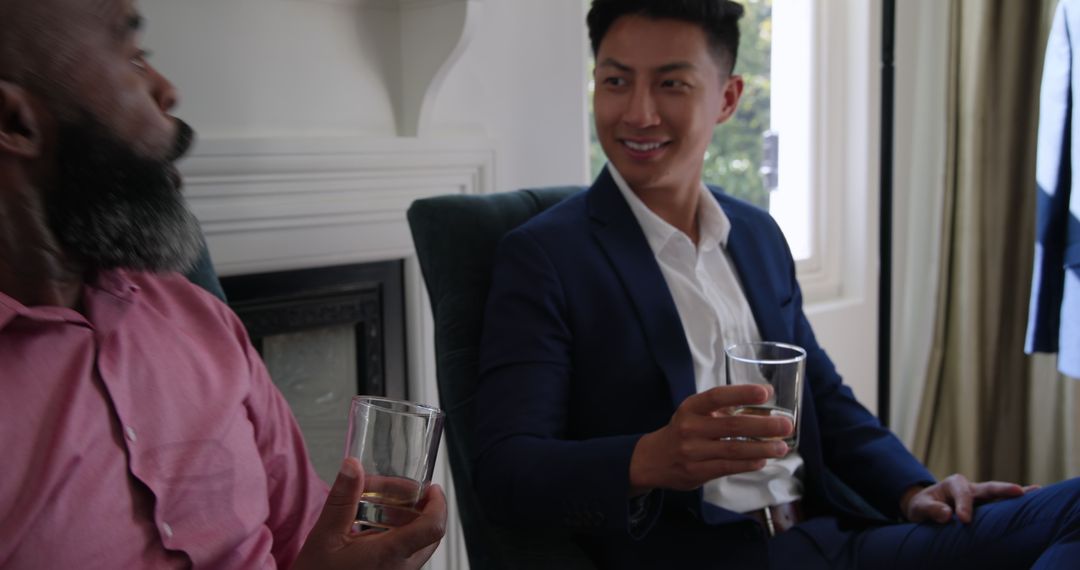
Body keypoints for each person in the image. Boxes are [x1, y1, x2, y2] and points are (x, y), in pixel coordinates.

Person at [473, 1, 1080, 568]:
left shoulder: (758, 236)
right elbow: (505, 472)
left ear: (728, 98)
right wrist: (650, 458)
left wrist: (913, 486)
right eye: (615, 80)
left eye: (671, 83)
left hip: (826, 535)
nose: (637, 113)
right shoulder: (546, 257)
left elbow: (823, 395)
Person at [0, 0, 446, 568]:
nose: (168, 92)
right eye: (134, 60)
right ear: (14, 122)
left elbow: (311, 541)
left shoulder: (198, 319)